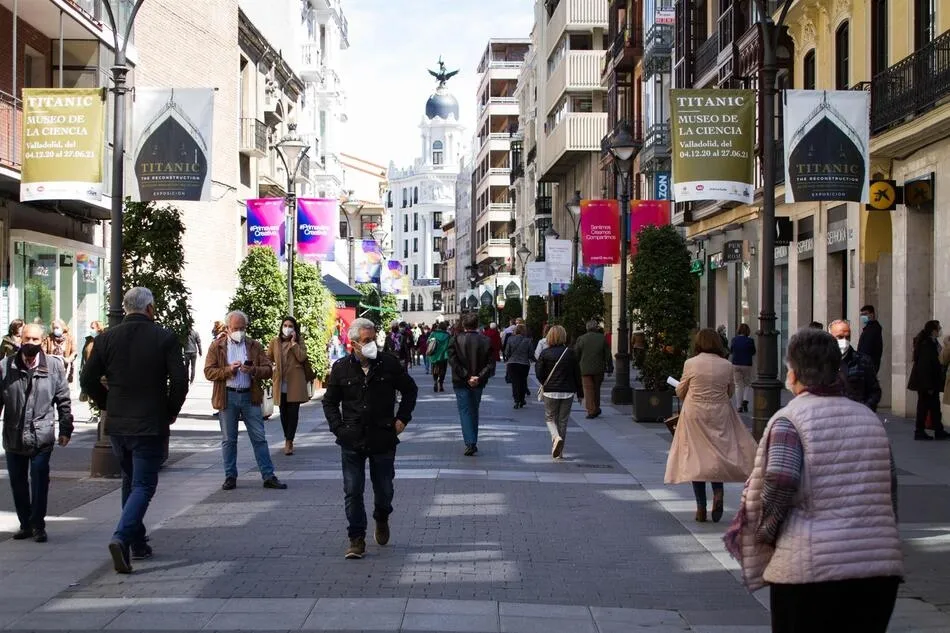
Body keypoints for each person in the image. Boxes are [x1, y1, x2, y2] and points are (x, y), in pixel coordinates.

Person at [726, 328, 903, 633]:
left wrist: (765, 533)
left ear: (794, 372)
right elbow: (889, 490)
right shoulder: (868, 418)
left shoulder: (791, 420)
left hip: (811, 570)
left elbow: (780, 483)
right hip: (877, 571)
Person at [80, 288, 188, 574]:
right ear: (150, 308)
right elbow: (180, 380)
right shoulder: (164, 337)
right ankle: (122, 536)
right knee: (143, 485)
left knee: (130, 480)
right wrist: (170, 411)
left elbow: (87, 378)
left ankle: (136, 543)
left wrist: (105, 403)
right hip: (150, 423)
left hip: (117, 423)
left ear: (125, 308)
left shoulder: (106, 338)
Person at [323, 318, 417, 559]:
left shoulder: (388, 364)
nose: (372, 344)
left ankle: (382, 516)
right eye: (366, 341)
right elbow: (330, 402)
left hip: (383, 435)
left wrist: (402, 419)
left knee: (384, 489)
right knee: (353, 490)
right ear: (353, 343)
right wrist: (338, 429)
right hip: (352, 438)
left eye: (373, 339)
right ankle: (356, 538)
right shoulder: (342, 367)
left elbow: (410, 389)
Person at [665, 328, 757, 523]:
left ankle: (700, 507)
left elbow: (681, 391)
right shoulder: (726, 365)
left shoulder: (691, 363)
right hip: (720, 413)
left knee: (696, 458)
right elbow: (730, 391)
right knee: (717, 455)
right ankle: (718, 492)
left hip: (695, 414)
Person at [1, 323, 73, 543]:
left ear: (42, 341)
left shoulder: (53, 366)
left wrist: (66, 428)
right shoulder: (6, 366)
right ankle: (25, 524)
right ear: (20, 339)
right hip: (14, 435)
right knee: (17, 482)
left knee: (40, 480)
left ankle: (38, 525)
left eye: (35, 340)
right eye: (27, 339)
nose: (30, 343)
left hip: (42, 434)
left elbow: (63, 399)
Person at [204, 310, 288, 490]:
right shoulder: (217, 346)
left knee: (259, 438)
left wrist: (253, 371)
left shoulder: (254, 346)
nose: (240, 331)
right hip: (228, 396)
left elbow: (268, 369)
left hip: (250, 396)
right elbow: (208, 372)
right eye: (236, 328)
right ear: (227, 328)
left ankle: (268, 475)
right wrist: (228, 370)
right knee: (229, 439)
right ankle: (230, 476)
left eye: (243, 328)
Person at [448, 312, 495, 455]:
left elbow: (453, 361)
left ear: (463, 325)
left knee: (465, 411)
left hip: (461, 381)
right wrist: (478, 377)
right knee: (474, 409)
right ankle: (472, 440)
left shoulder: (455, 339)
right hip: (478, 382)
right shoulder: (486, 340)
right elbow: (491, 364)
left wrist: (466, 376)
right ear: (477, 324)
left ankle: (470, 442)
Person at [536, 325, 583, 459]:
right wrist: (580, 393)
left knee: (550, 418)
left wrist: (545, 382)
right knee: (563, 421)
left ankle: (556, 438)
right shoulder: (570, 353)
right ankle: (559, 451)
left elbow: (538, 372)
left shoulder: (545, 353)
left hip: (550, 391)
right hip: (567, 391)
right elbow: (576, 374)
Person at [267, 316, 310, 456]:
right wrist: (272, 367)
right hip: (280, 382)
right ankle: (287, 437)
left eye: (290, 325)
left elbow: (302, 357)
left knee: (293, 414)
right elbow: (268, 358)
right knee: (283, 414)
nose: (287, 328)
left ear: (294, 328)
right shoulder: (275, 342)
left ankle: (289, 441)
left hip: (295, 383)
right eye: (285, 325)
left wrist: (294, 344)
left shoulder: (298, 341)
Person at [907, 319, 949, 440]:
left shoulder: (931, 342)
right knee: (924, 408)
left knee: (934, 407)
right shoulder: (926, 344)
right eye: (939, 328)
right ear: (933, 331)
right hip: (926, 383)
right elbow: (925, 366)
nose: (940, 330)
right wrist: (928, 385)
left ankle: (938, 430)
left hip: (930, 381)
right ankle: (920, 431)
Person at [828, 319, 882, 412]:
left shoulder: (863, 361)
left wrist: (866, 410)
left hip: (857, 416)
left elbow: (874, 391)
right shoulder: (820, 362)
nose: (844, 341)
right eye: (839, 337)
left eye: (847, 337)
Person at [574, 320, 613, 419]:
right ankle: (596, 408)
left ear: (587, 328)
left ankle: (591, 410)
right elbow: (608, 354)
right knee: (596, 389)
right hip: (599, 369)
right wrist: (610, 367)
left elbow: (576, 354)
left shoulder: (581, 339)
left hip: (585, 369)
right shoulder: (602, 338)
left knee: (588, 390)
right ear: (596, 328)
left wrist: (576, 366)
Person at [504, 324, 533, 409]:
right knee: (523, 381)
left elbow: (507, 352)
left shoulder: (510, 339)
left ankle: (516, 400)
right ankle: (522, 399)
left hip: (512, 363)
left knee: (515, 382)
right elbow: (530, 354)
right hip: (524, 363)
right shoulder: (528, 340)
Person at [729, 324, 756, 413]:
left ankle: (738, 406)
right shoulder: (750, 340)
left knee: (738, 385)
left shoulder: (734, 340)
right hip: (747, 364)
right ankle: (745, 400)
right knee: (747, 383)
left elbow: (731, 351)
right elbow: (753, 352)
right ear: (747, 331)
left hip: (736, 363)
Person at [42, 319, 76, 383]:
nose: (55, 330)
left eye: (57, 327)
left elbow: (74, 352)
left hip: (64, 368)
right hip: (51, 368)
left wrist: (68, 359)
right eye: (54, 328)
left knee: (62, 387)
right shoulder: (49, 338)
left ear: (63, 327)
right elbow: (43, 351)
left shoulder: (69, 338)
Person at [858, 304, 884, 374]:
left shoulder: (873, 329)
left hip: (868, 366)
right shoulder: (868, 329)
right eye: (862, 315)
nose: (863, 317)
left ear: (872, 314)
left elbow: (866, 349)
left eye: (865, 314)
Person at [427, 321, 451, 392]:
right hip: (444, 355)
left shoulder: (433, 333)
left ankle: (435, 381)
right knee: (443, 370)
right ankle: (441, 384)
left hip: (434, 354)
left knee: (434, 368)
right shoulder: (448, 335)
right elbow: (450, 345)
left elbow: (428, 342)